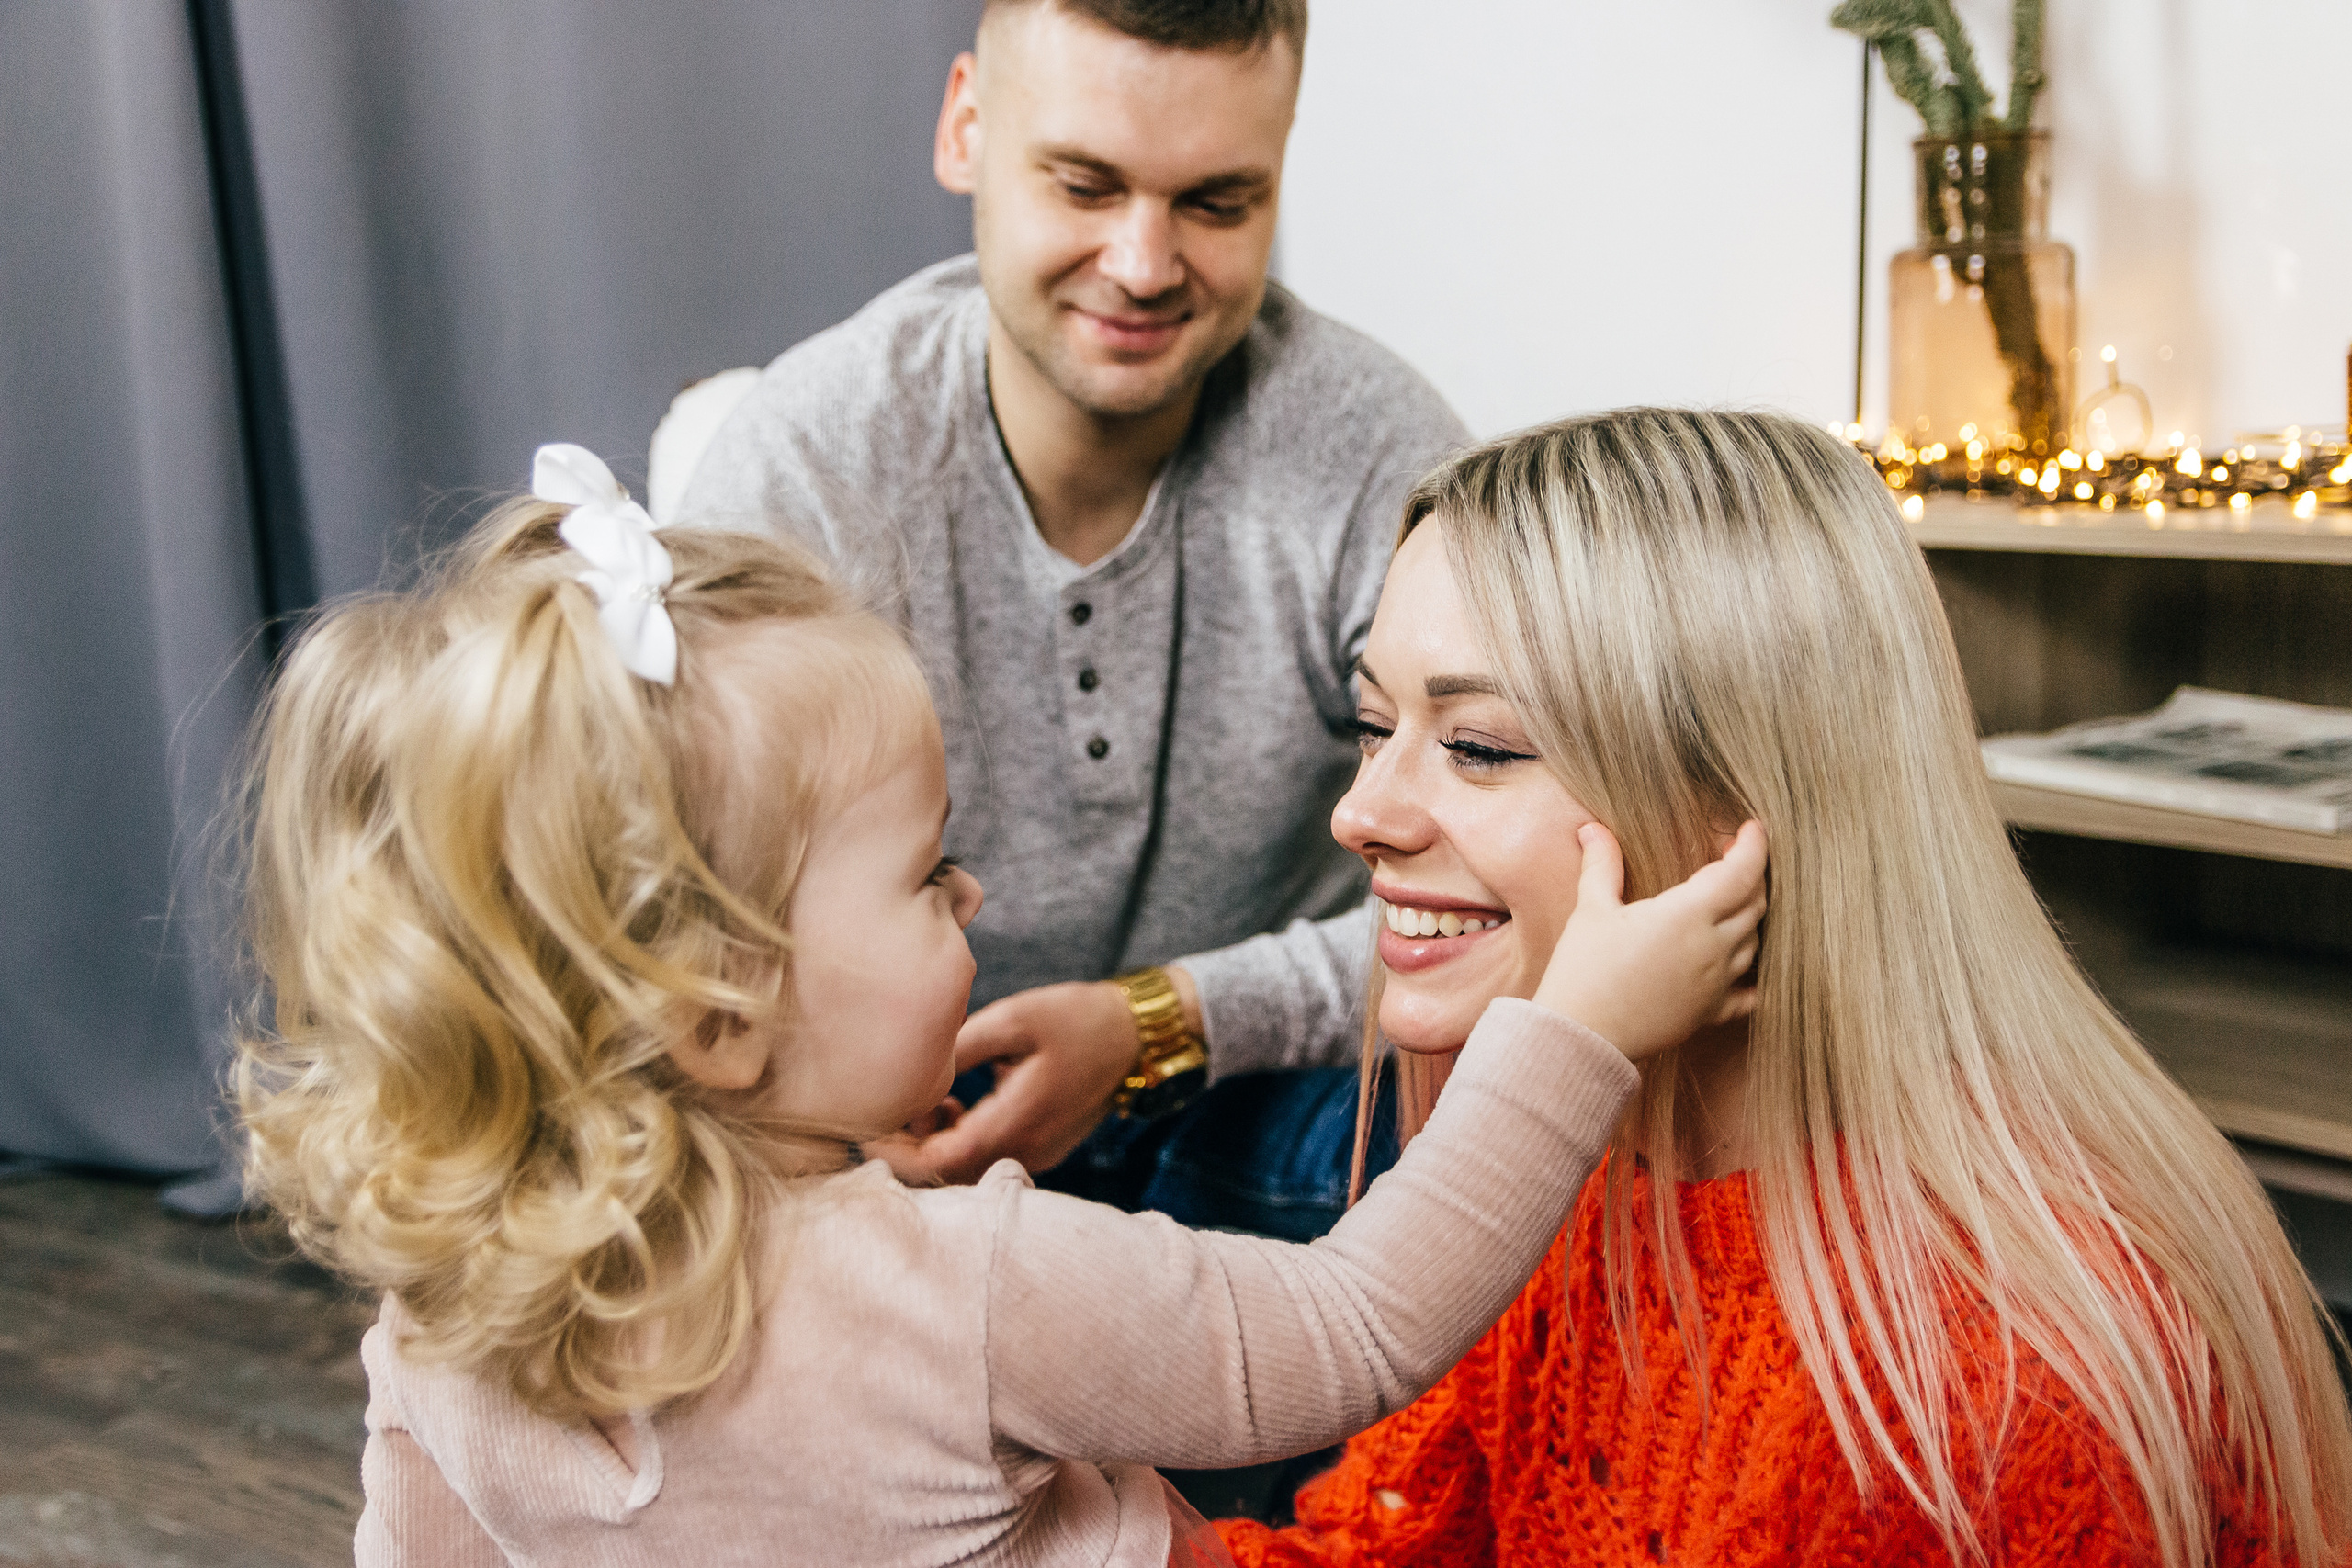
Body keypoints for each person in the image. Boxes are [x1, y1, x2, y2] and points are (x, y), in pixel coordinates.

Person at [232, 446, 1770, 1565]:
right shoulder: (970, 1285)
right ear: (715, 1009)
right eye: (927, 872)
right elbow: (1349, 1323)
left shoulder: (442, 1323)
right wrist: (1576, 1035)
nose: (974, 901)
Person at [1213, 408, 2352, 1566]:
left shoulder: (1997, 1377)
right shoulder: (1549, 1159)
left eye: (1482, 747)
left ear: (1747, 807)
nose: (1361, 815)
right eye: (1372, 724)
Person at [674, 0, 1469, 1231]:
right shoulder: (804, 467)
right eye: (1086, 185)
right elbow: (679, 932)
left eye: (1216, 202)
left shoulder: (1375, 451)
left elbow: (1518, 898)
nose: (1146, 265)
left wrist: (1164, 1018)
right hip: (874, 1151)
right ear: (965, 129)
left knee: (1522, 1127)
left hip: (1264, 1093)